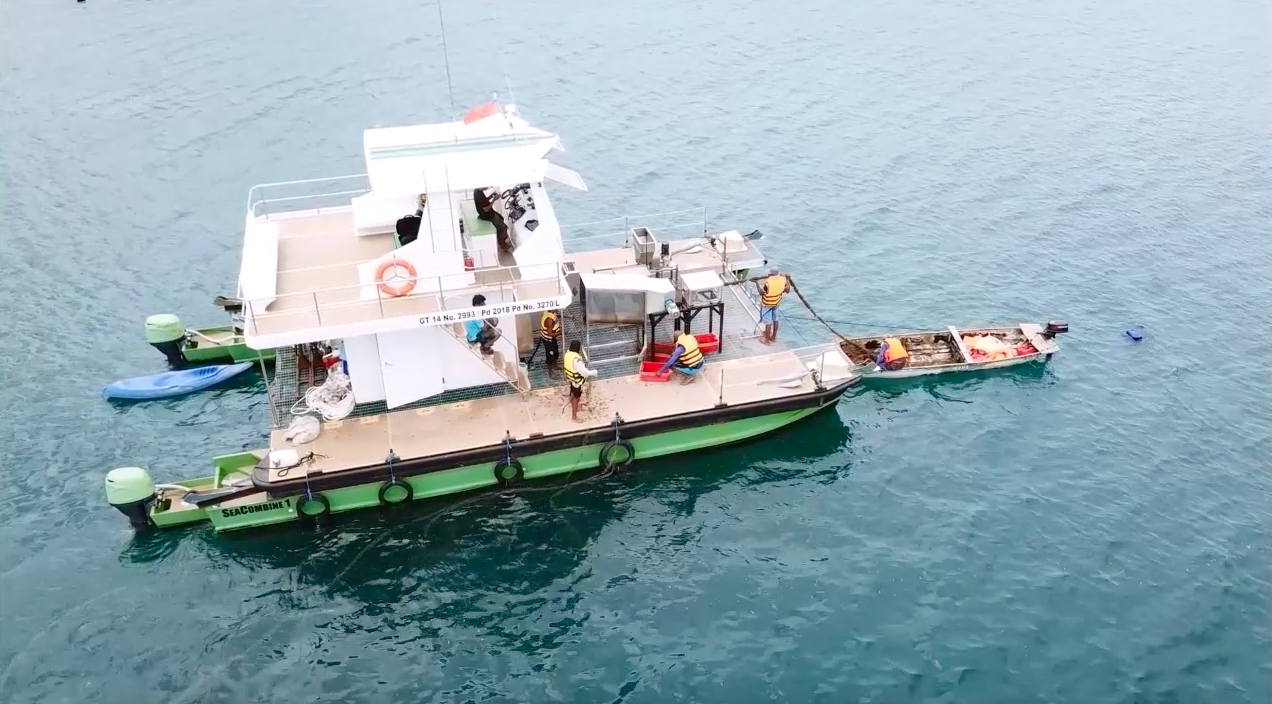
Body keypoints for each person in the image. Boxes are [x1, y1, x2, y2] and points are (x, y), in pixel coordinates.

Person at [562, 340, 598, 422]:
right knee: (576, 397)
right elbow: (584, 373)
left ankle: (574, 407)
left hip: (571, 379)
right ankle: (574, 417)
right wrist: (592, 372)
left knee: (572, 392)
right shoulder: (577, 360)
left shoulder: (567, 355)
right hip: (577, 382)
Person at [752, 266, 788, 345]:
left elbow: (762, 293)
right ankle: (773, 337)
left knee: (768, 322)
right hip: (776, 303)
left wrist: (756, 283)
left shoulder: (768, 282)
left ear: (771, 274)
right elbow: (786, 290)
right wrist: (788, 279)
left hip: (767, 304)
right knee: (775, 319)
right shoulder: (783, 279)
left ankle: (767, 340)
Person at [473, 187, 512, 253]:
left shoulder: (477, 191)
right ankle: (502, 244)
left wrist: (491, 196)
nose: (487, 187)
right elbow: (486, 209)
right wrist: (494, 199)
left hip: (488, 213)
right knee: (503, 227)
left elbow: (483, 201)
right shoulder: (479, 195)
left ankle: (499, 238)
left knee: (501, 218)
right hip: (487, 215)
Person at [539, 309, 562, 379]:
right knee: (550, 355)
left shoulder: (550, 312)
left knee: (556, 352)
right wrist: (561, 332)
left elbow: (555, 317)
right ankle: (550, 371)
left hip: (552, 339)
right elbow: (550, 334)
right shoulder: (549, 320)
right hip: (549, 340)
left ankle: (555, 364)